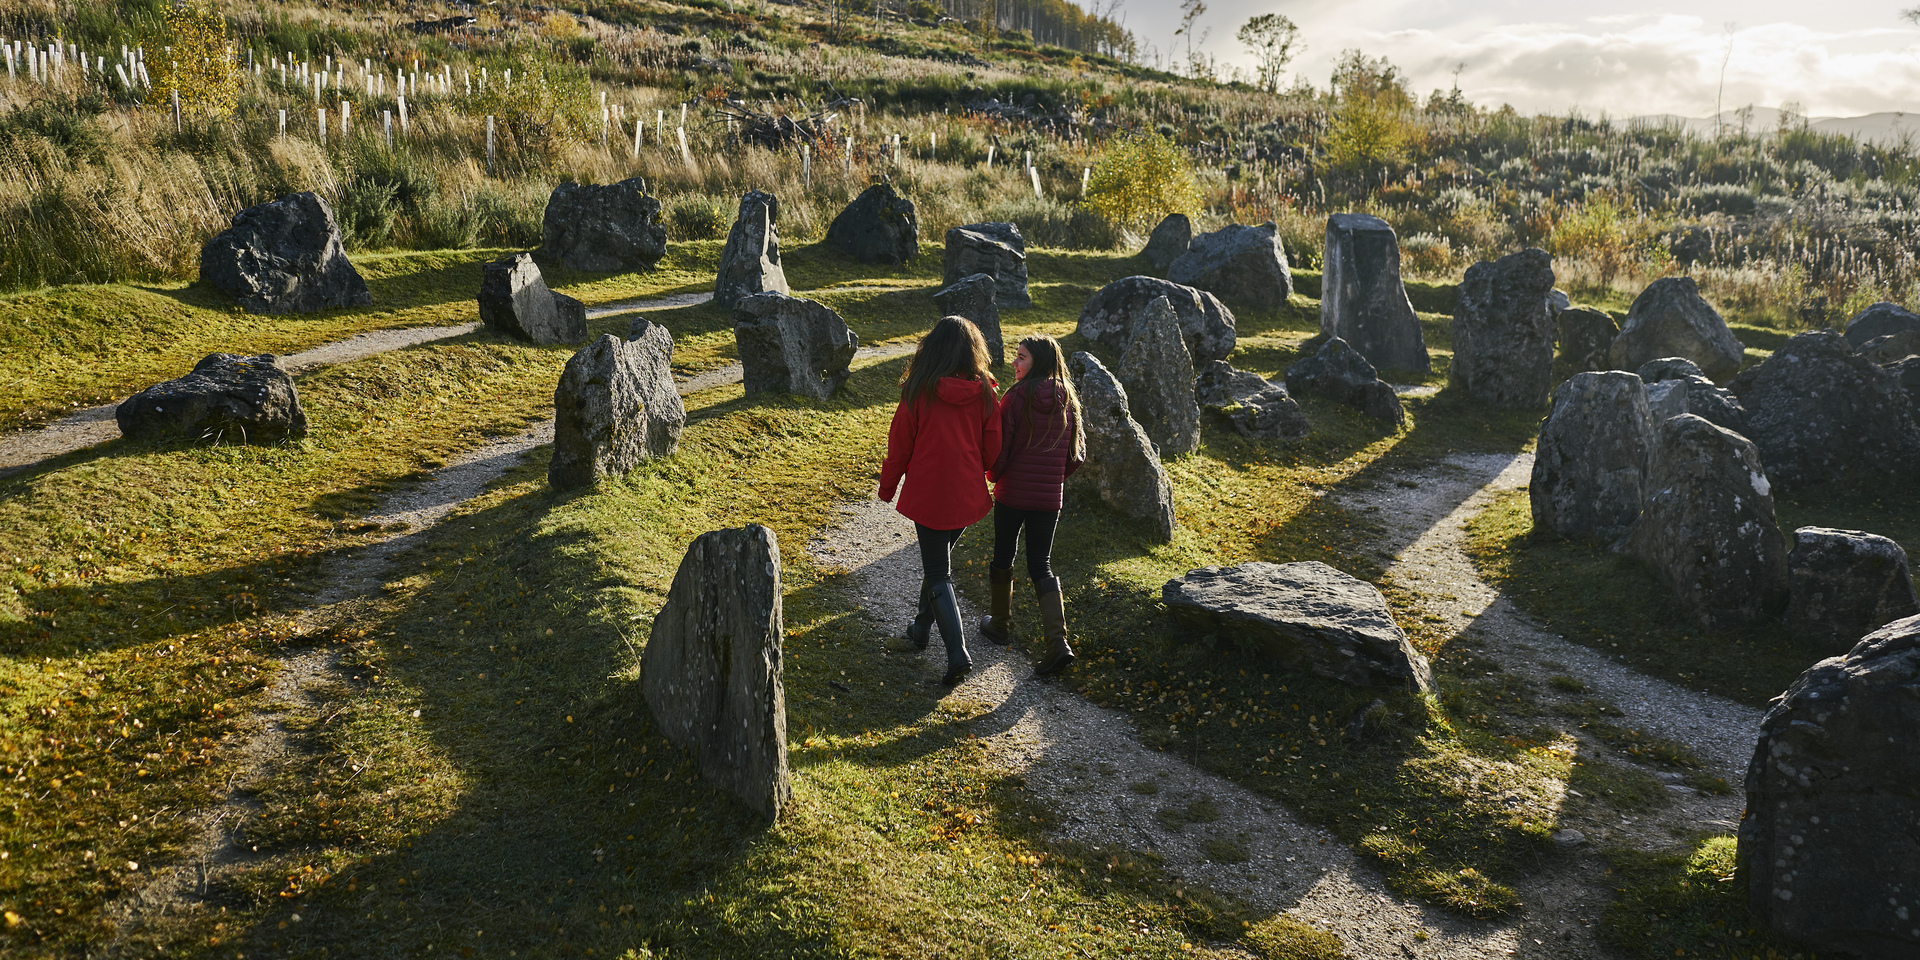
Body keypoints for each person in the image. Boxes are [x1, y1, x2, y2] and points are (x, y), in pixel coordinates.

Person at [877, 316, 1002, 686]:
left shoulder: (919, 389)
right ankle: (920, 629)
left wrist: (887, 487)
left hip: (930, 492)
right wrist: (983, 468)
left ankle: (957, 652)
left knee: (937, 571)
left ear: (931, 348)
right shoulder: (985, 391)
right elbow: (992, 447)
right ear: (972, 350)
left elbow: (899, 445)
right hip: (965, 493)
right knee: (938, 565)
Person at [979, 335, 1085, 676]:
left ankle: (999, 624)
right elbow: (1076, 455)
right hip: (1048, 499)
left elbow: (1001, 447)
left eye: (1021, 357)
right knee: (1041, 565)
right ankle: (1058, 643)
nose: (1014, 363)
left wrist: (995, 475)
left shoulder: (1016, 396)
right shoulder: (1068, 399)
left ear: (1036, 361)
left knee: (1003, 556)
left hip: (1012, 495)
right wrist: (1054, 478)